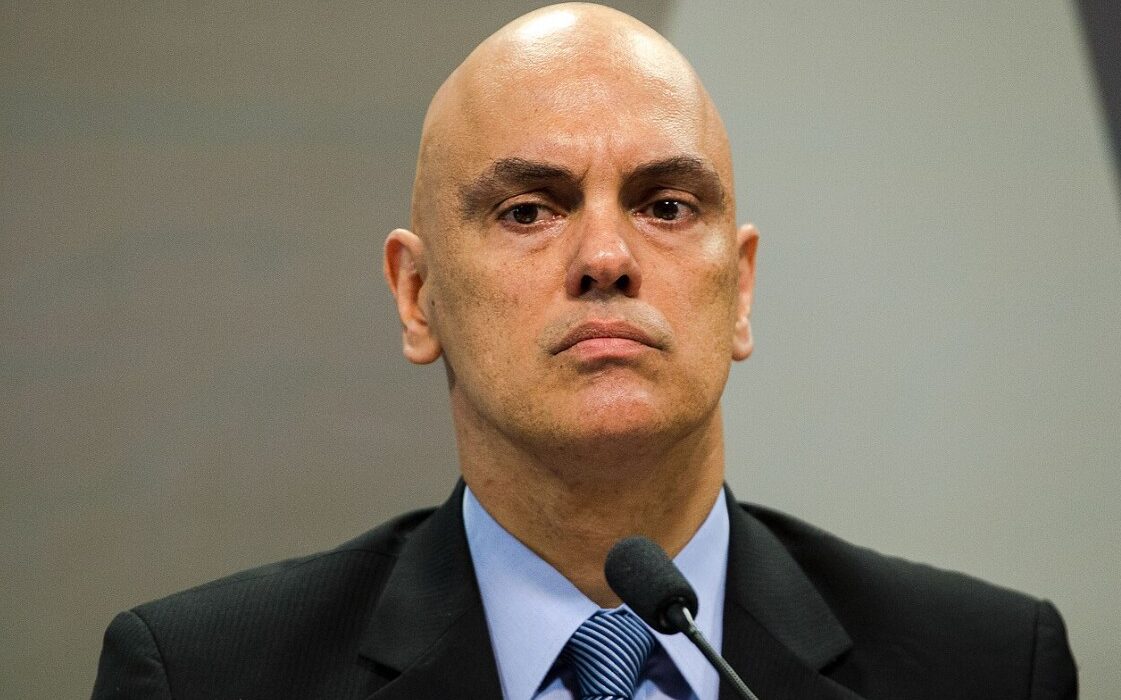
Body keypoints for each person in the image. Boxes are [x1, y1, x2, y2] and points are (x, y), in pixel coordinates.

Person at [91, 4, 1077, 699]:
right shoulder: (200, 675)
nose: (606, 257)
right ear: (417, 295)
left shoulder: (988, 667)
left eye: (665, 206)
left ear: (739, 289)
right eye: (527, 209)